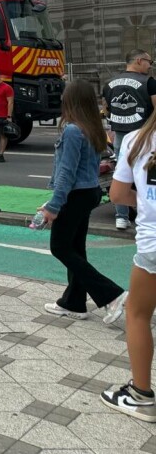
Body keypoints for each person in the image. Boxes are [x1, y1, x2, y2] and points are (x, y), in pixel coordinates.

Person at [37, 79, 127, 325]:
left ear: (71, 100)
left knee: (61, 248)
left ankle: (112, 294)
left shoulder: (72, 130)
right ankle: (74, 303)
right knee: (76, 249)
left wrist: (53, 206)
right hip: (90, 193)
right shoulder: (93, 127)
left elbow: (66, 173)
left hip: (75, 194)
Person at [101, 104, 156, 421]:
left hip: (152, 246)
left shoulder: (137, 139)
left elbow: (118, 194)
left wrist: (147, 205)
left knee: (137, 314)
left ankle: (141, 395)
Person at [102, 49, 156, 230]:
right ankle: (146, 212)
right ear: (139, 61)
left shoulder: (109, 84)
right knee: (147, 176)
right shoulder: (149, 82)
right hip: (145, 136)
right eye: (149, 62)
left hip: (120, 136)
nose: (150, 65)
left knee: (121, 175)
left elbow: (107, 108)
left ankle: (121, 217)